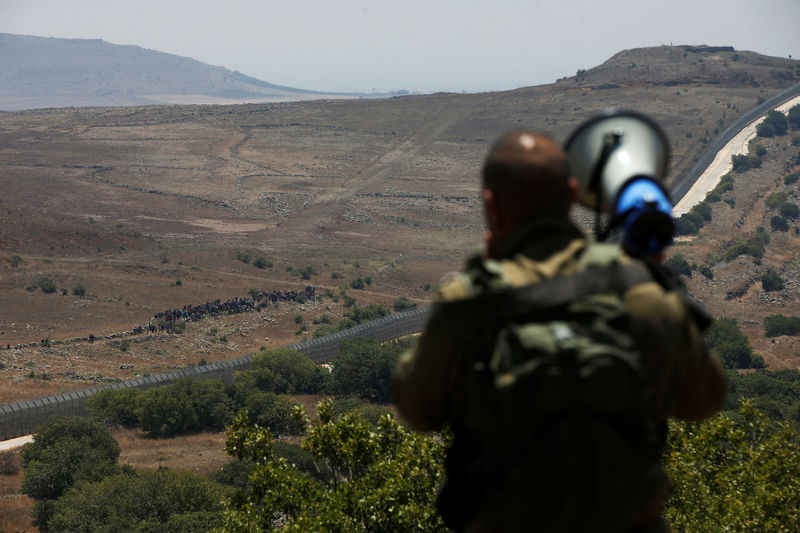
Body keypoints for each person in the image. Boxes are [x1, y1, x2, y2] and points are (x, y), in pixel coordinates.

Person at [392, 130, 726, 532]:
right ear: (571, 197)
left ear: (491, 207)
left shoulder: (467, 303)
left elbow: (417, 410)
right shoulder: (640, 291)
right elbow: (702, 402)